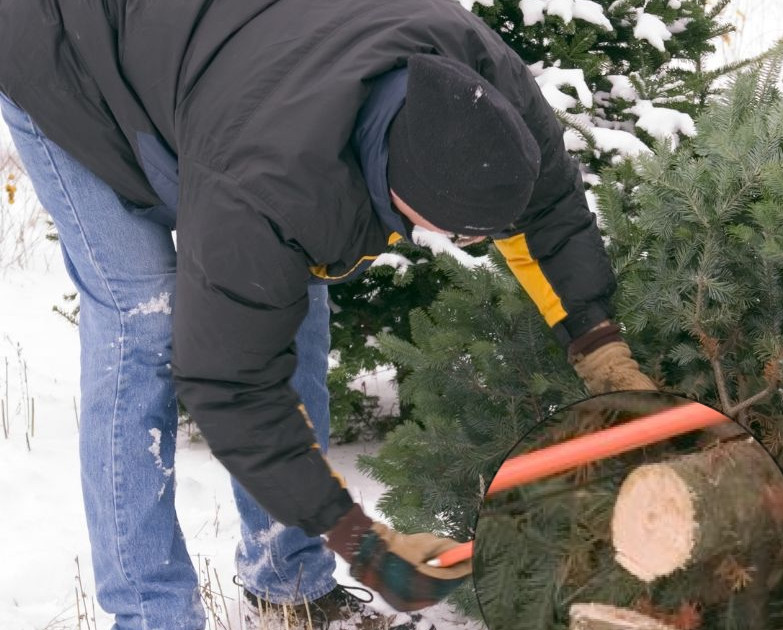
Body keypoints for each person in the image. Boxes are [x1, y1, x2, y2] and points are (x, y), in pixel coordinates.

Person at [0, 0, 654, 628]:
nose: (473, 245)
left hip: (224, 60)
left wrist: (599, 346)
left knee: (288, 289)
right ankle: (150, 611)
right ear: (402, 193)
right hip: (66, 51)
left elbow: (549, 209)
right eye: (458, 232)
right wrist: (363, 543)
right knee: (141, 315)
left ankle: (287, 582)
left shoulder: (481, 82)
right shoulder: (270, 187)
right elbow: (230, 384)